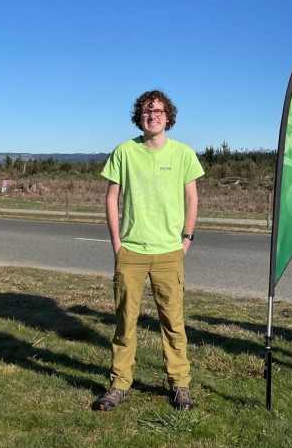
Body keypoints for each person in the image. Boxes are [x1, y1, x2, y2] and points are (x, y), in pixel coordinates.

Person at [92, 90, 204, 412]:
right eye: (146, 110)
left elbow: (192, 199)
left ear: (168, 116)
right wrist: (117, 243)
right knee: (125, 322)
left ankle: (180, 385)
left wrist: (187, 239)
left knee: (173, 322)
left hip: (170, 252)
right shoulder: (124, 152)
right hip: (131, 252)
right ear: (139, 117)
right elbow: (111, 198)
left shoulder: (183, 154)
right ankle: (119, 385)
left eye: (157, 110)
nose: (152, 115)